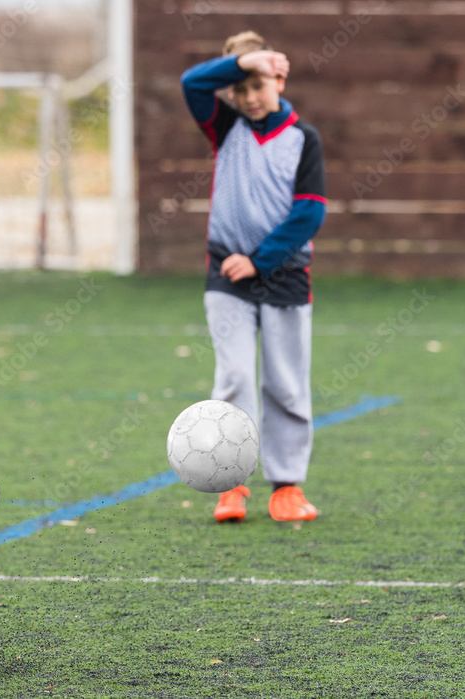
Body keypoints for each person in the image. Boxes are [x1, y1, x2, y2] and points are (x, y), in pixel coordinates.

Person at [180, 31, 327, 523]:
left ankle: (287, 486)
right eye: (239, 89)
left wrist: (261, 260)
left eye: (258, 86)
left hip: (283, 276)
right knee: (235, 377)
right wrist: (246, 61)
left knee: (286, 383)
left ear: (279, 79)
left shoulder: (304, 139)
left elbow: (308, 214)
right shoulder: (225, 128)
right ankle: (231, 484)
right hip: (226, 275)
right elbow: (191, 83)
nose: (248, 98)